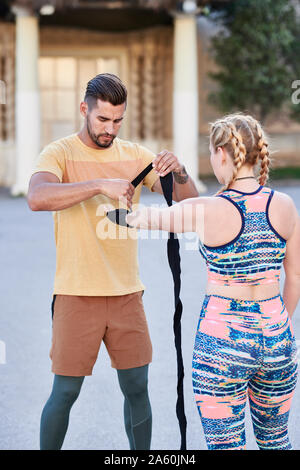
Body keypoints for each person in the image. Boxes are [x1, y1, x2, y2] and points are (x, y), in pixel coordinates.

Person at [27, 73, 199, 450]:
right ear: (84, 109)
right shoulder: (60, 153)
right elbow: (37, 197)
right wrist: (99, 184)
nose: (110, 129)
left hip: (126, 296)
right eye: (103, 119)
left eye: (118, 120)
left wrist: (180, 170)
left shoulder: (136, 155)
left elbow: (190, 204)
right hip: (75, 294)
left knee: (137, 388)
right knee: (65, 392)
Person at [126, 113, 300, 450]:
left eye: (210, 153)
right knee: (277, 442)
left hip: (222, 344)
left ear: (222, 153)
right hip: (278, 338)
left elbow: (142, 217)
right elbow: (294, 275)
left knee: (225, 446)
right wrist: (281, 325)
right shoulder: (285, 205)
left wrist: (116, 202)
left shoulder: (208, 208)